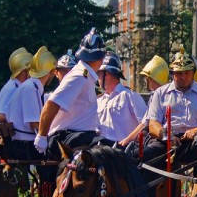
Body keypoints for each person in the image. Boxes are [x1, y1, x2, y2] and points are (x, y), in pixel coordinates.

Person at [140, 50, 197, 169]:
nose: (183, 77)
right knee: (140, 158)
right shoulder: (160, 93)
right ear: (172, 74)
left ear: (193, 73)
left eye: (187, 73)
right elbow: (153, 124)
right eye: (179, 73)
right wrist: (167, 135)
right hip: (166, 142)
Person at [34, 29, 105, 157]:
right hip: (68, 138)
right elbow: (51, 104)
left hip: (79, 137)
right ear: (101, 59)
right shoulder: (79, 76)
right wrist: (42, 136)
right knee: (110, 150)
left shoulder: (85, 76)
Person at [8, 46, 57, 160]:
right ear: (51, 72)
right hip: (25, 146)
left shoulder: (30, 86)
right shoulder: (30, 89)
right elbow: (34, 124)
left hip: (21, 143)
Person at [96, 53, 147, 148]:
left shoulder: (129, 96)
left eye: (99, 74)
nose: (97, 78)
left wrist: (128, 140)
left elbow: (145, 123)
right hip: (101, 149)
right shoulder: (99, 100)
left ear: (106, 74)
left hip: (123, 150)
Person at [0, 47, 33, 123]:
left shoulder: (16, 86)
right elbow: (1, 115)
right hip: (14, 134)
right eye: (31, 69)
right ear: (24, 71)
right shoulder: (13, 88)